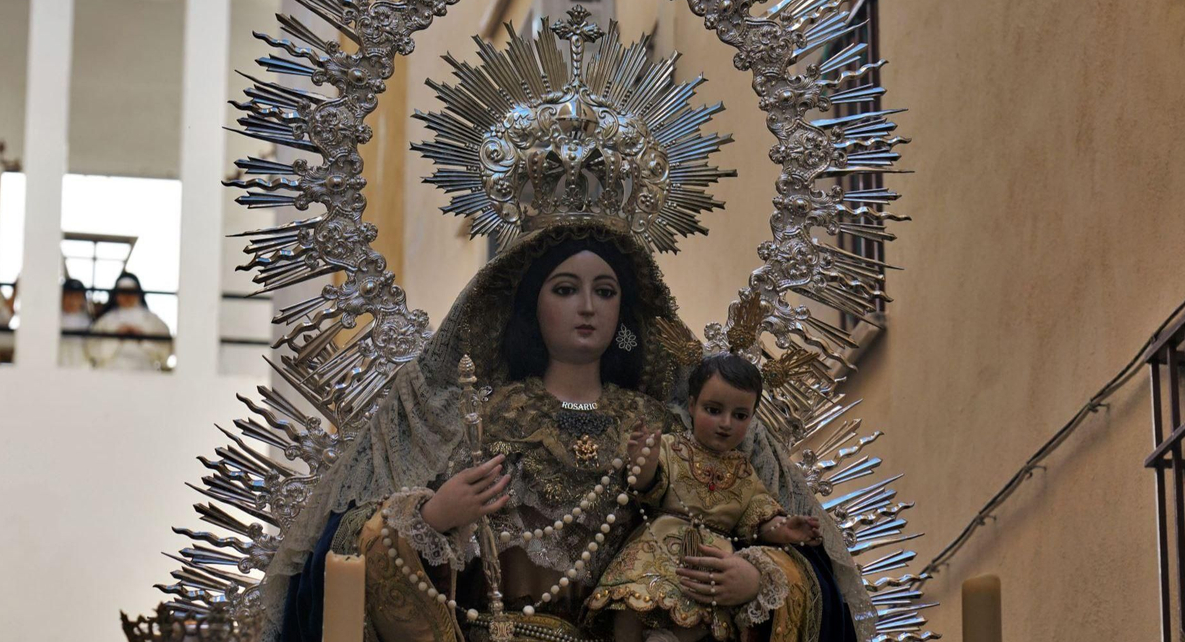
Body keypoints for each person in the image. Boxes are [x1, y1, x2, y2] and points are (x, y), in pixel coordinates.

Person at [273, 226, 871, 642]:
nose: (587, 306)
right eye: (565, 289)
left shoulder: (669, 430)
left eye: (604, 292)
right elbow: (355, 548)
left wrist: (755, 578)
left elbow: (751, 524)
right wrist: (431, 518)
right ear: (534, 308)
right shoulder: (482, 420)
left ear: (624, 310)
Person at [588, 353, 825, 642]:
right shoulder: (670, 446)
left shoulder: (745, 472)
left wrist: (783, 529)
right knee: (629, 606)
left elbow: (757, 516)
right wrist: (644, 463)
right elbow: (647, 487)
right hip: (657, 547)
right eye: (713, 410)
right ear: (692, 406)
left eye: (740, 416)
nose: (726, 423)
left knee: (699, 621)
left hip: (710, 564)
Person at [87, 272, 172, 370]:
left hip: (145, 373)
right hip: (111, 372)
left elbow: (166, 350)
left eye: (131, 292)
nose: (127, 296)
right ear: (116, 295)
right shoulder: (106, 320)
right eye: (123, 292)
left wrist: (141, 339)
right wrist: (117, 337)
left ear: (138, 293)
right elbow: (92, 351)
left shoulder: (152, 320)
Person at [58, 277, 93, 367]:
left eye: (77, 296)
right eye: (69, 296)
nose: (72, 301)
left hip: (80, 368)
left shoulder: (88, 322)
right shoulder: (54, 318)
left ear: (82, 300)